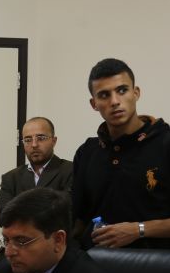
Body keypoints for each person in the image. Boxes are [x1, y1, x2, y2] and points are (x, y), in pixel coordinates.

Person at [72, 58, 170, 249]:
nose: (115, 101)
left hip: (157, 262)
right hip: (96, 261)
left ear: (136, 93)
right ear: (94, 103)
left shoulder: (165, 143)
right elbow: (78, 221)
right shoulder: (87, 152)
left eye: (122, 90)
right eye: (104, 95)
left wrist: (139, 229)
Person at [0, 116, 73, 226]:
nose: (34, 145)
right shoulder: (11, 177)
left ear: (54, 141)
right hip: (21, 237)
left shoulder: (71, 170)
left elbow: (69, 212)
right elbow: (0, 217)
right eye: (28, 140)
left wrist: (19, 208)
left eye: (41, 138)